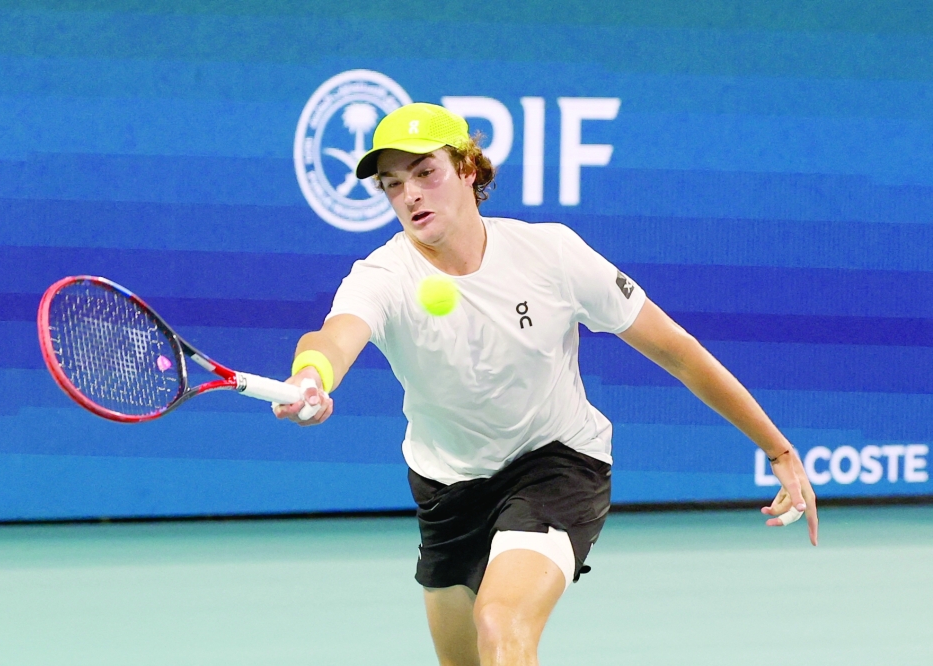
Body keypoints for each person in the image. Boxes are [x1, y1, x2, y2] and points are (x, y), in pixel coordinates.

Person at [274, 102, 819, 666]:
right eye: (392, 184)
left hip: (556, 462)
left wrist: (777, 448)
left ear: (467, 169)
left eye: (425, 173)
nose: (409, 194)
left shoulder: (550, 254)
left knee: (501, 623)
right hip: (446, 487)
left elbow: (677, 352)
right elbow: (334, 336)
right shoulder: (383, 277)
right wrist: (312, 376)